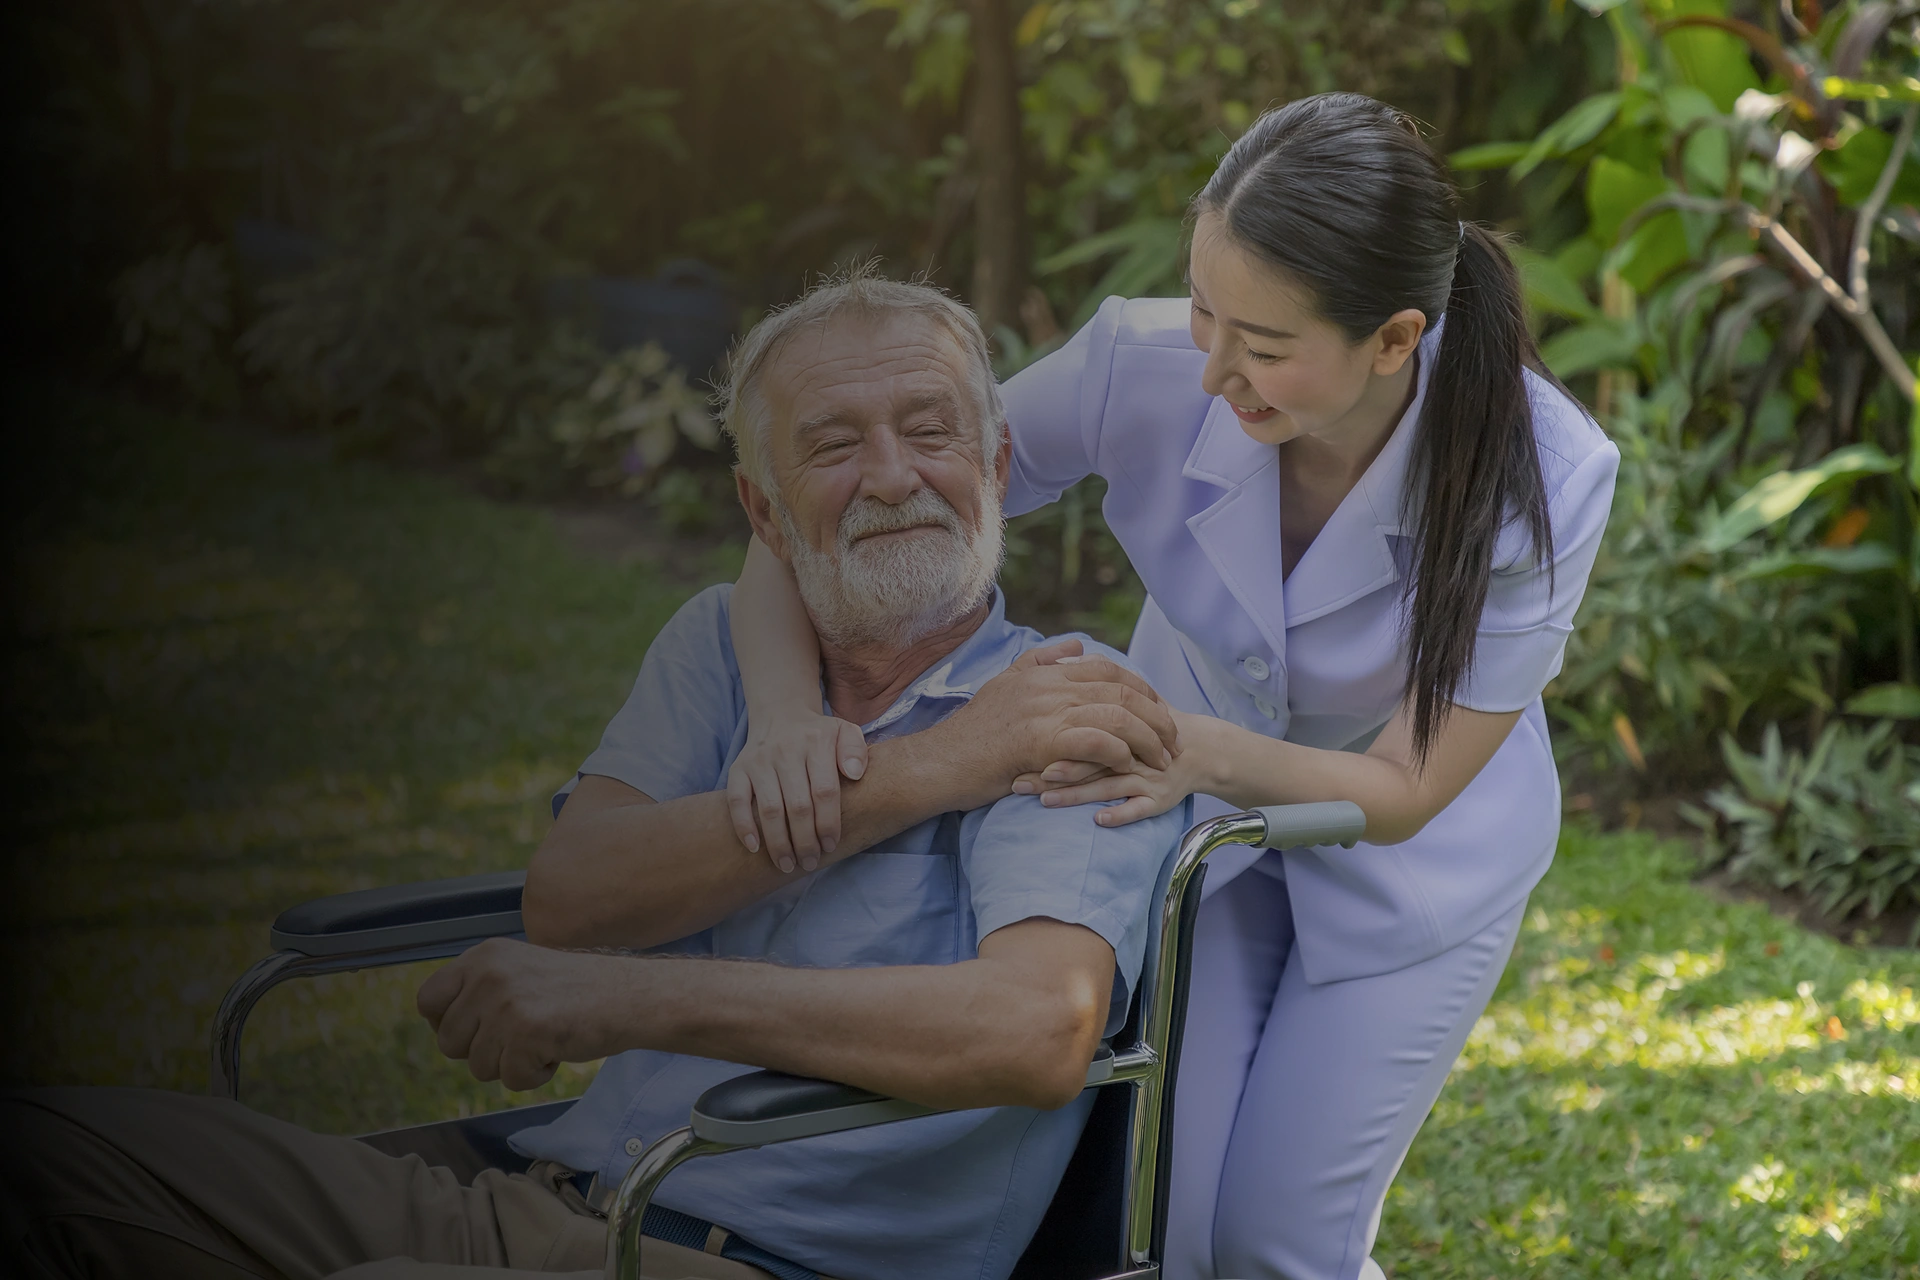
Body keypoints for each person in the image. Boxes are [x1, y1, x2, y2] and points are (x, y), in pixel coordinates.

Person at [1, 274, 1188, 1280]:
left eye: (930, 431)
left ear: (990, 460)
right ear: (761, 511)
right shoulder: (720, 646)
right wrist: (926, 768)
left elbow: (1037, 1028)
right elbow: (576, 898)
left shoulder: (1059, 706)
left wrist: (624, 1001)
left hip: (746, 1256)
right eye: (833, 442)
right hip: (537, 1205)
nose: (890, 474)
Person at [722, 93, 1621, 1280]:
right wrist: (784, 716)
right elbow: (843, 505)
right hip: (1203, 840)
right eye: (1203, 308)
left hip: (1413, 864)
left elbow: (1405, 789)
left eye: (1261, 343)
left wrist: (1182, 746)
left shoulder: (1547, 472)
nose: (1210, 369)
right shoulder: (1136, 365)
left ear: (1395, 339)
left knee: (1278, 1243)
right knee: (1168, 1233)